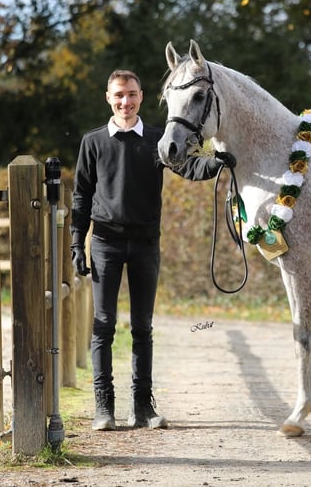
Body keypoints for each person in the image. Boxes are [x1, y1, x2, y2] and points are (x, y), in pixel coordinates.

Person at [70, 69, 234, 431]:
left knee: (142, 327)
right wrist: (76, 242)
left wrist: (216, 162)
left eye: (131, 94)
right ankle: (104, 408)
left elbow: (189, 165)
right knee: (103, 326)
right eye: (118, 95)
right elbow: (81, 195)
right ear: (108, 98)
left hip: (146, 243)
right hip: (105, 243)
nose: (125, 101)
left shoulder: (158, 140)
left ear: (141, 97)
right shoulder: (93, 142)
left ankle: (142, 407)